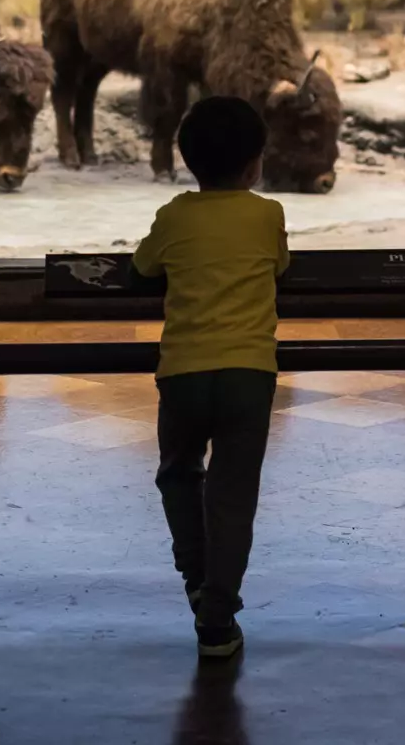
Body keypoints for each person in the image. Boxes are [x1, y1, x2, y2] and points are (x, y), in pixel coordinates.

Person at [127, 95, 288, 659]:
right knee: (234, 494)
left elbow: (143, 266)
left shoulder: (174, 215)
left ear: (188, 159)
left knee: (177, 473)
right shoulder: (268, 215)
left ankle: (194, 576)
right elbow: (280, 265)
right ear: (254, 165)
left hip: (184, 375)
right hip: (249, 376)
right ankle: (217, 616)